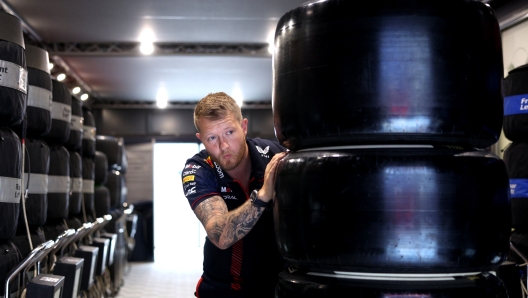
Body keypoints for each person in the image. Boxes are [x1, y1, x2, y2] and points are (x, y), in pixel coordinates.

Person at [181, 92, 288, 298]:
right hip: (222, 288)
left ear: (244, 127)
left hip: (276, 286)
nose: (223, 146)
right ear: (201, 139)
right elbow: (219, 235)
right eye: (212, 138)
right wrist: (263, 195)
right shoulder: (198, 169)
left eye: (230, 132)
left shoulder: (276, 156)